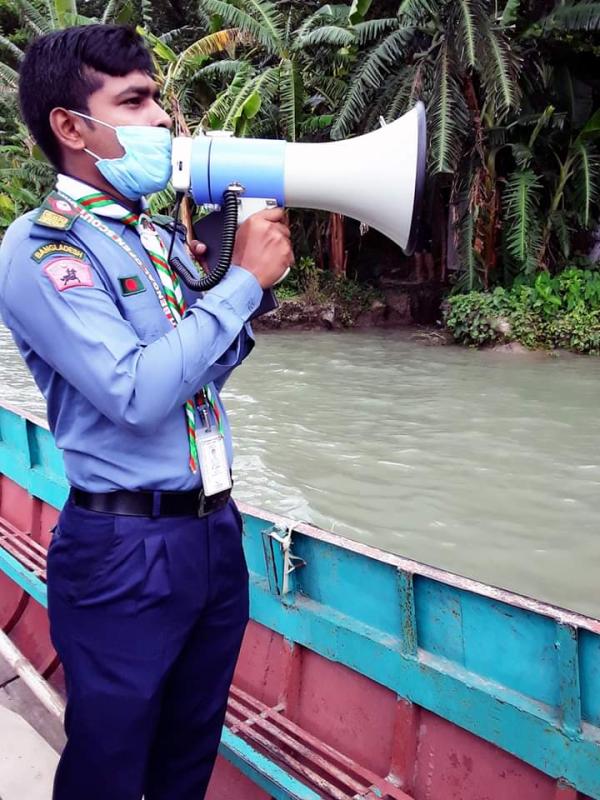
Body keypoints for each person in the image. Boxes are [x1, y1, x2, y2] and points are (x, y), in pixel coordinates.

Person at [0, 23, 293, 800]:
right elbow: (135, 393)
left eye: (158, 98)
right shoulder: (44, 249)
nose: (162, 117)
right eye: (133, 102)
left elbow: (200, 375)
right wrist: (241, 285)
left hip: (212, 534)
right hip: (124, 550)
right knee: (109, 765)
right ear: (71, 128)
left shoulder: (155, 237)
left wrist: (235, 290)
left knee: (187, 754)